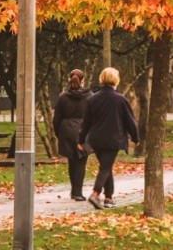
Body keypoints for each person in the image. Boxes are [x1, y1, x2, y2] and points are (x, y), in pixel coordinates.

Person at [78, 67, 139, 210]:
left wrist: (81, 140)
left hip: (97, 139)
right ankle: (95, 193)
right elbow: (130, 120)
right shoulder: (120, 99)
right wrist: (135, 137)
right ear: (116, 80)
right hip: (114, 138)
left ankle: (109, 197)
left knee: (107, 167)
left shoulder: (93, 99)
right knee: (105, 167)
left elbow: (86, 121)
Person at [53, 68, 91, 201]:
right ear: (83, 81)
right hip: (83, 130)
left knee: (72, 161)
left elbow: (56, 118)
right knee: (81, 162)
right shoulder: (89, 96)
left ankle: (74, 190)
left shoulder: (63, 97)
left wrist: (59, 133)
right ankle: (78, 192)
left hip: (67, 130)